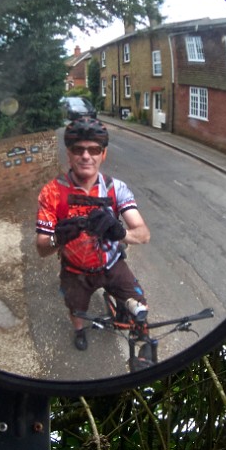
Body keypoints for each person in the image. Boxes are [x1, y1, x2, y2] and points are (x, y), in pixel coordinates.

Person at [36, 116, 150, 350]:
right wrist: (58, 238)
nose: (86, 156)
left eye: (94, 149)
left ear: (103, 154)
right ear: (68, 153)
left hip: (112, 263)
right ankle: (79, 331)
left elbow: (143, 234)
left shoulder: (115, 188)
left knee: (140, 306)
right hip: (75, 270)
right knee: (77, 309)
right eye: (78, 149)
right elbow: (41, 248)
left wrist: (120, 233)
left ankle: (122, 309)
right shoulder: (52, 193)